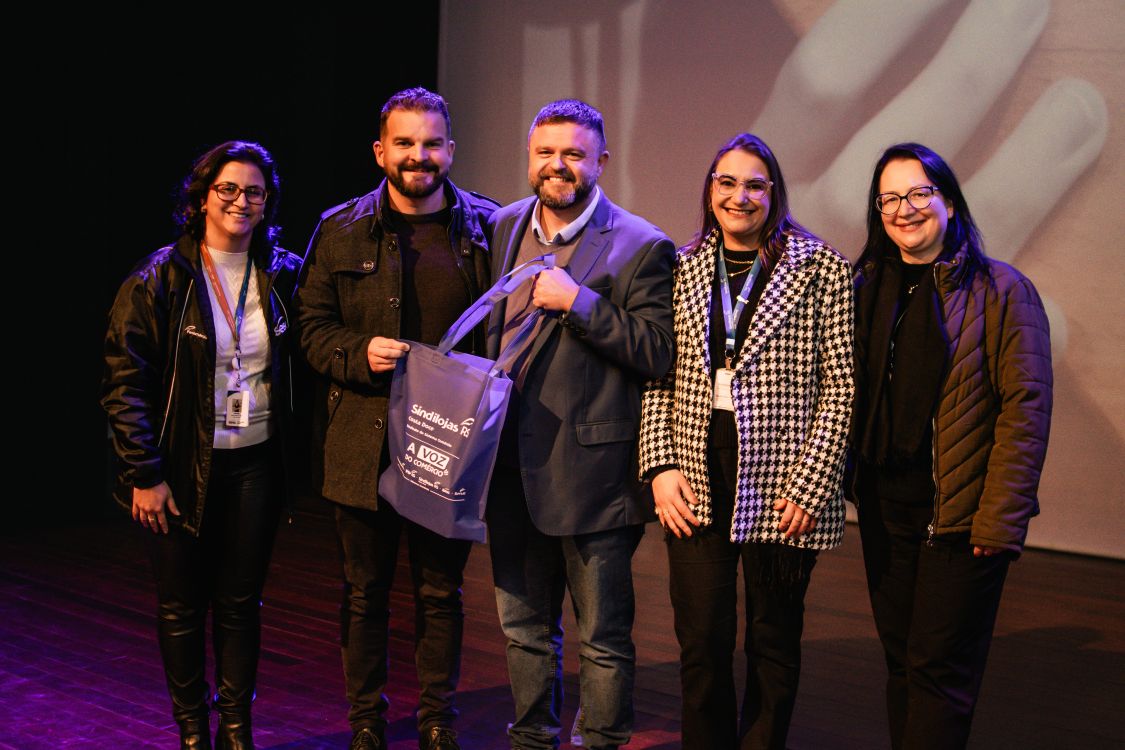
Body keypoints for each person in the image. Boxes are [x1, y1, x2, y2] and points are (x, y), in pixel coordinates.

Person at [294, 87, 496, 750]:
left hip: (448, 446)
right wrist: (358, 353)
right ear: (381, 150)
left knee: (440, 593)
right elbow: (311, 329)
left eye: (431, 143)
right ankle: (366, 720)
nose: (419, 156)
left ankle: (437, 718)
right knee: (364, 594)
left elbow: (506, 335)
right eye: (404, 143)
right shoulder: (339, 228)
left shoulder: (487, 231)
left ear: (450, 150)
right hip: (364, 442)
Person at [638, 133, 854, 749]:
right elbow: (659, 376)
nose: (740, 196)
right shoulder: (679, 268)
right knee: (701, 641)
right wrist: (659, 467)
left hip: (785, 479)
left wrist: (811, 486)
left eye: (754, 184)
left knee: (774, 641)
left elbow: (841, 388)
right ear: (710, 191)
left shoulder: (820, 269)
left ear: (774, 193)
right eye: (726, 183)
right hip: (697, 470)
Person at [484, 99, 674, 750]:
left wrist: (581, 304)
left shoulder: (641, 244)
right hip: (507, 471)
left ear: (600, 161)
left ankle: (599, 742)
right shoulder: (505, 226)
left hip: (594, 478)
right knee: (523, 629)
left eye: (572, 153)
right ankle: (531, 740)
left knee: (602, 639)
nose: (556, 165)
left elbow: (656, 350)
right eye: (544, 152)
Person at [851, 142, 1053, 749]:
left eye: (918, 193)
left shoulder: (1003, 290)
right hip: (886, 509)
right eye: (889, 198)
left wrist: (1000, 519)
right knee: (902, 663)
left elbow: (1028, 408)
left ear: (948, 200)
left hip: (962, 518)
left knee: (940, 673)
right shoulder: (865, 286)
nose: (903, 209)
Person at [102, 141, 300, 750]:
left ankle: (236, 730)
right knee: (181, 607)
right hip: (178, 467)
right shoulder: (157, 278)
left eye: (254, 192)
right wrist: (143, 471)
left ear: (268, 203)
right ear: (202, 197)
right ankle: (192, 733)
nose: (242, 201)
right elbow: (123, 380)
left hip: (256, 463)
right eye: (228, 190)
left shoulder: (285, 273)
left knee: (241, 603)